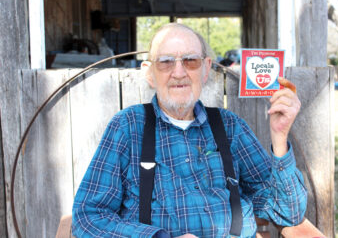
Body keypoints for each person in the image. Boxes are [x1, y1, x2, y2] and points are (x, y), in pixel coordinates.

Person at [72, 23, 307, 238]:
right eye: (165, 61)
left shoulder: (231, 128)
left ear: (205, 70)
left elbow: (288, 213)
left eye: (190, 60)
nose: (179, 72)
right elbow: (88, 217)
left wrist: (279, 137)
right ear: (149, 73)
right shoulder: (127, 127)